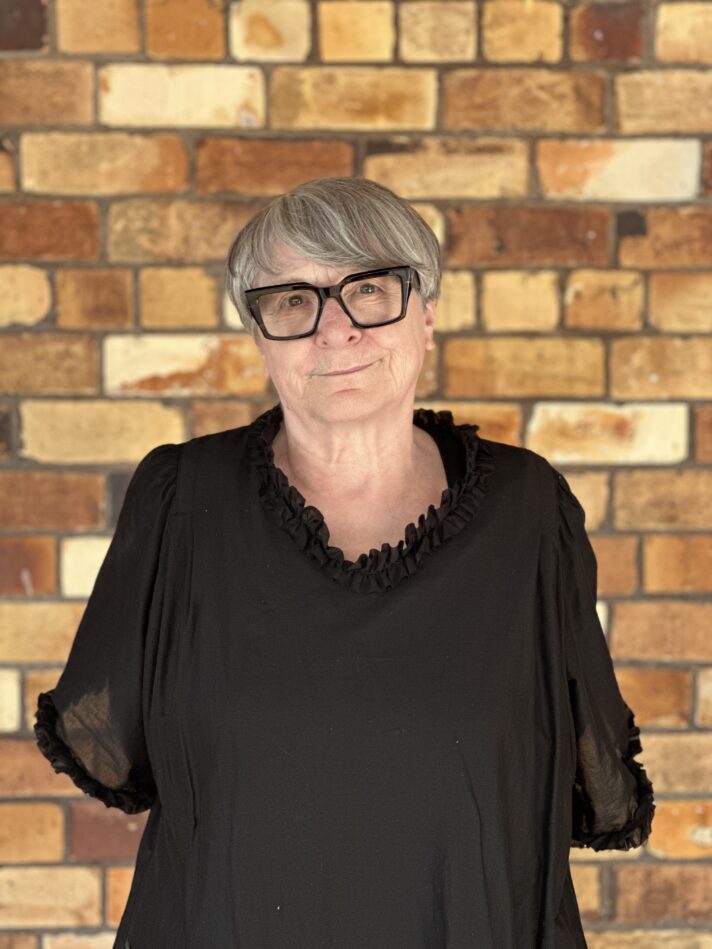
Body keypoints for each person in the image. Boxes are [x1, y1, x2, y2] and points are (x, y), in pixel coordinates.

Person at [34, 176, 655, 949]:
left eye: (368, 289)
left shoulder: (529, 512)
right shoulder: (181, 501)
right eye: (293, 299)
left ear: (426, 312)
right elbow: (113, 745)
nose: (336, 331)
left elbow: (585, 773)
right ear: (259, 333)